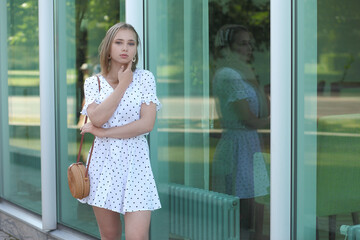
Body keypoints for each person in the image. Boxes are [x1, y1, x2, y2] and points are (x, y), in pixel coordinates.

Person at [78, 22, 161, 240]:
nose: (125, 48)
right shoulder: (93, 83)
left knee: (137, 237)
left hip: (136, 165)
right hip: (103, 166)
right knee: (110, 236)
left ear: (135, 50)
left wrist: (104, 133)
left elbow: (146, 124)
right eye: (119, 42)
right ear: (109, 48)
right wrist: (123, 84)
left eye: (131, 43)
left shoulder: (145, 78)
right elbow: (97, 117)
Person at [211, 24, 270, 238]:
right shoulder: (227, 75)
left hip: (250, 144)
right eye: (242, 43)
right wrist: (270, 121)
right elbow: (249, 119)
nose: (249, 48)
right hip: (238, 145)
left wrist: (254, 79)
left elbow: (264, 108)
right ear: (227, 47)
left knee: (257, 198)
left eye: (250, 44)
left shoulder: (244, 73)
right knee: (241, 204)